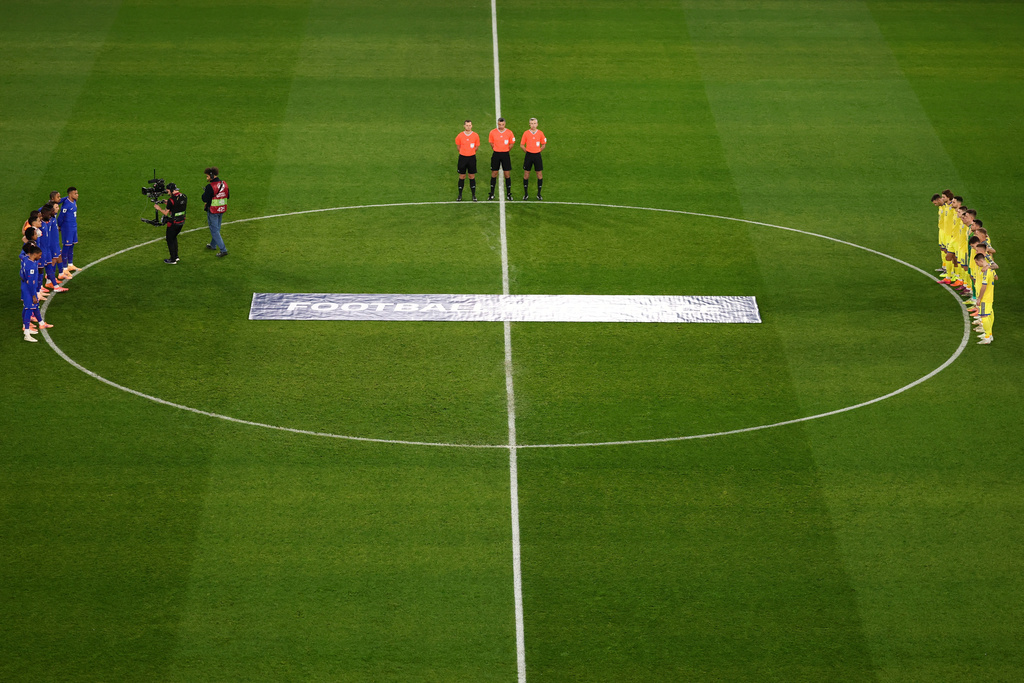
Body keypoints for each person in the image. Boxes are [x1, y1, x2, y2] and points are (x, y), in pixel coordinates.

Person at [20, 244, 53, 342]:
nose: (40, 257)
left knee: (33, 306)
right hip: (29, 290)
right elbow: (30, 283)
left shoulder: (26, 259)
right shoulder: (30, 266)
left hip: (28, 287)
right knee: (29, 308)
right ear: (35, 254)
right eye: (39, 255)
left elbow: (21, 257)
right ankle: (27, 333)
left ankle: (41, 323)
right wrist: (34, 295)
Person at [153, 182, 188, 264]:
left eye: (168, 191)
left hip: (173, 223)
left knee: (170, 239)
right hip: (181, 221)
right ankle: (176, 256)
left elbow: (166, 213)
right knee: (174, 238)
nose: (168, 192)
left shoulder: (171, 200)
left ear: (172, 190)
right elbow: (178, 206)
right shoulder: (184, 196)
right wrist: (168, 203)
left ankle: (172, 259)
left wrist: (159, 208)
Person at [202, 167, 230, 257]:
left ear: (211, 175)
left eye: (207, 176)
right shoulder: (224, 184)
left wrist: (206, 192)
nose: (207, 178)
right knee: (217, 228)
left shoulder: (210, 186)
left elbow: (204, 198)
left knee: (214, 230)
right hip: (221, 208)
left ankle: (223, 250)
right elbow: (228, 196)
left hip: (213, 210)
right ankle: (213, 245)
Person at [488, 117, 516, 201]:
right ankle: (492, 194)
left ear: (505, 124)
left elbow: (511, 143)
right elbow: (491, 143)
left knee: (507, 174)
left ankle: (508, 194)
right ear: (497, 124)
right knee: (494, 173)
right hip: (496, 154)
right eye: (499, 124)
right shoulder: (492, 132)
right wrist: (497, 149)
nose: (501, 126)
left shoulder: (509, 132)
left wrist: (506, 150)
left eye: (502, 124)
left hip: (505, 155)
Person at [520, 117, 547, 200]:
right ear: (529, 124)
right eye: (531, 123)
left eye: (534, 123)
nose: (533, 125)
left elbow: (543, 144)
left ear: (537, 124)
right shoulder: (526, 133)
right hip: (529, 155)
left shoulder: (540, 133)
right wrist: (527, 152)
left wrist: (538, 151)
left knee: (539, 174)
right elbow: (521, 145)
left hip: (537, 156)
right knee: (526, 174)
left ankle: (539, 194)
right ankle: (526, 194)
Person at [57, 186, 81, 274]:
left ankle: (70, 264)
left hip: (74, 226)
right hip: (67, 228)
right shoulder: (66, 204)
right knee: (66, 246)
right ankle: (64, 268)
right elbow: (60, 217)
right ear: (70, 194)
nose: (77, 195)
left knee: (72, 245)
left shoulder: (73, 201)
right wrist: (59, 226)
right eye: (75, 193)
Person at [455, 120, 480, 202]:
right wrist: (464, 152)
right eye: (467, 125)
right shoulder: (460, 136)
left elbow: (476, 147)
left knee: (471, 176)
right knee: (462, 176)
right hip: (462, 158)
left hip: (472, 158)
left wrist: (470, 152)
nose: (468, 127)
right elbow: (458, 146)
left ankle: (473, 195)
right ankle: (460, 195)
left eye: (469, 125)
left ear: (471, 126)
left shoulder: (475, 135)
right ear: (464, 126)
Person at [974, 252, 995, 344]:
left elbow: (984, 286)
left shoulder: (986, 271)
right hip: (989, 296)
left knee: (984, 316)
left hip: (985, 298)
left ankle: (987, 338)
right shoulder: (989, 268)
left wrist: (979, 298)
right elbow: (996, 277)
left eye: (977, 262)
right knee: (989, 314)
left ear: (981, 260)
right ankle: (989, 334)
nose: (976, 264)